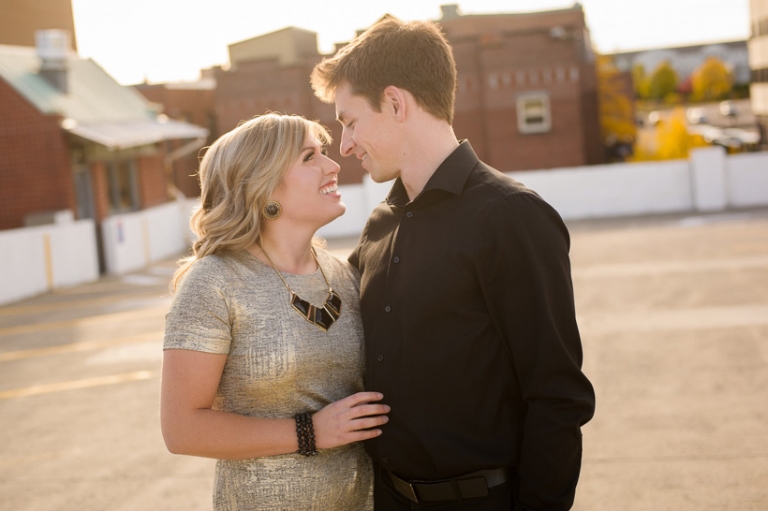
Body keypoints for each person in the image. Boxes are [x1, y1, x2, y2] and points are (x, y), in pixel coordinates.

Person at [311, 18, 596, 511]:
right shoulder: (380, 224)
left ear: (396, 103)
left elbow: (557, 397)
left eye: (350, 122)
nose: (346, 146)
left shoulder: (511, 216)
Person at [160, 113, 390, 511]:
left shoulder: (346, 275)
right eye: (309, 157)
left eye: (325, 153)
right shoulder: (214, 283)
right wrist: (310, 432)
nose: (333, 165)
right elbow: (182, 430)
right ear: (262, 183)